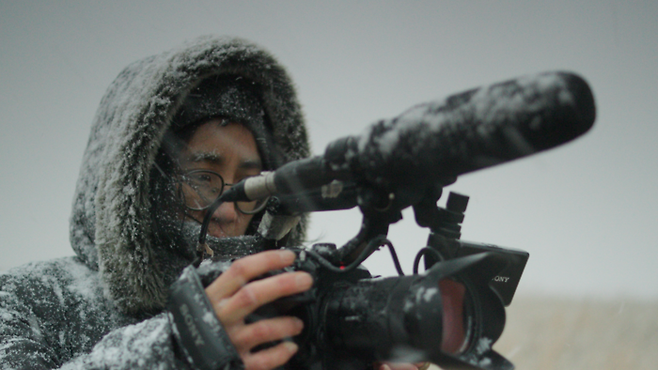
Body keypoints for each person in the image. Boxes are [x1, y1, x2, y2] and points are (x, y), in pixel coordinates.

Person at [0, 35, 423, 370]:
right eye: (204, 178)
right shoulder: (30, 298)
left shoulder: (287, 317)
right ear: (145, 183)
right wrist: (178, 349)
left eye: (250, 186)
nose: (228, 208)